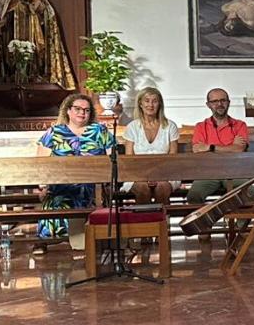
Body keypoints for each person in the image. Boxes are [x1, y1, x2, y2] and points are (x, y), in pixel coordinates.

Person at [34, 92, 115, 242]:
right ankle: (49, 242)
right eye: (77, 109)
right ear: (68, 110)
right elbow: (40, 164)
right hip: (61, 187)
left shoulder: (100, 131)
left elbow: (113, 159)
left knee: (91, 198)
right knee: (55, 201)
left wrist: (110, 183)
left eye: (86, 110)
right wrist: (42, 186)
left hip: (93, 187)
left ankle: (91, 242)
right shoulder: (54, 133)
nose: (82, 113)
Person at [186, 88, 250, 205]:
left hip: (235, 172)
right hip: (208, 173)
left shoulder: (240, 125)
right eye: (214, 101)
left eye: (223, 100)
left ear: (228, 102)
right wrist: (230, 147)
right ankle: (205, 223)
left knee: (249, 193)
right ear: (208, 105)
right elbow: (197, 150)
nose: (219, 104)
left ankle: (241, 224)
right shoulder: (201, 126)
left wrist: (210, 147)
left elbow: (239, 149)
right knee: (194, 196)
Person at [122, 86, 180, 205]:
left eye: (155, 101)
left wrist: (158, 176)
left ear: (160, 104)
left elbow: (173, 158)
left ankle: (162, 223)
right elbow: (130, 159)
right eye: (147, 101)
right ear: (140, 104)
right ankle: (144, 223)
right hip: (137, 174)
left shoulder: (170, 126)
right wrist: (145, 177)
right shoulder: (132, 127)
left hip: (166, 173)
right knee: (143, 189)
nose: (150, 105)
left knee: (162, 188)